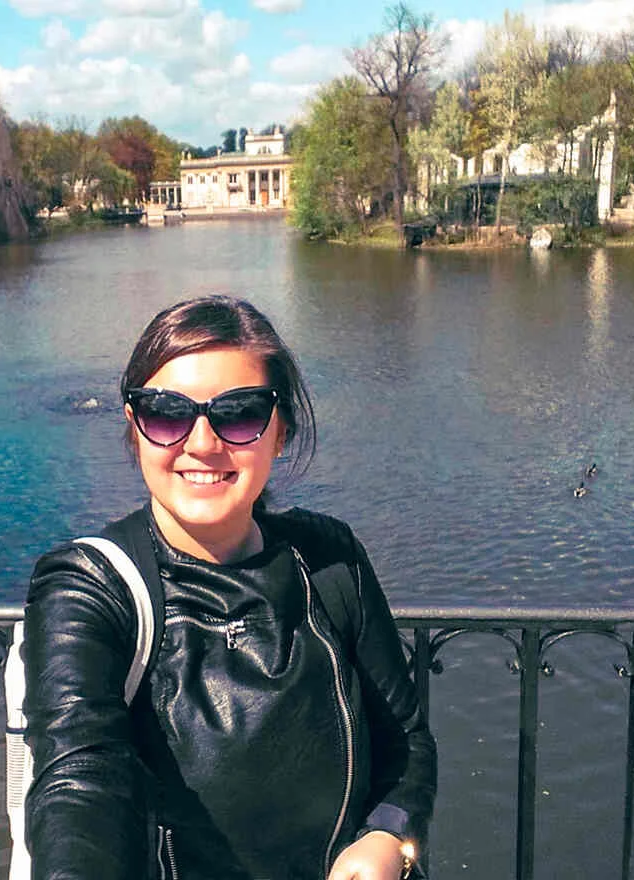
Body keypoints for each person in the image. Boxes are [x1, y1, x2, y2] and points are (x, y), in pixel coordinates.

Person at [22, 296, 437, 880]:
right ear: (135, 428)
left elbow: (407, 741)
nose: (202, 443)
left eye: (238, 414)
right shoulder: (90, 589)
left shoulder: (329, 559)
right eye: (167, 413)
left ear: (280, 432)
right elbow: (77, 778)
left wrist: (388, 834)